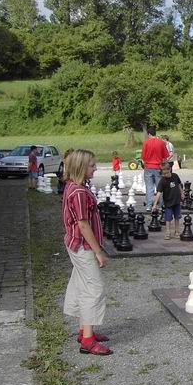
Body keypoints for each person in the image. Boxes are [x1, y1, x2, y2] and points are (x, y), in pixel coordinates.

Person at [62, 149, 112, 356]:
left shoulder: (72, 187)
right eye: (92, 165)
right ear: (82, 167)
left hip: (74, 243)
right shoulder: (80, 193)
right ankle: (88, 341)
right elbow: (83, 225)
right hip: (83, 245)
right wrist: (98, 250)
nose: (95, 168)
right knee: (94, 288)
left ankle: (85, 330)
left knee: (81, 284)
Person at [152, 161, 185, 240]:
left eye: (166, 173)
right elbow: (159, 193)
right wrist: (155, 204)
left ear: (170, 169)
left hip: (177, 201)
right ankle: (168, 232)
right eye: (164, 174)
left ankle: (177, 231)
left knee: (177, 217)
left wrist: (182, 193)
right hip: (168, 203)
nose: (165, 175)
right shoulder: (162, 181)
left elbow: (179, 185)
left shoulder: (175, 176)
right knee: (168, 218)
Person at [141, 127, 169, 211]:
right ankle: (161, 205)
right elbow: (165, 156)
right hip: (158, 167)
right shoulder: (161, 143)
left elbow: (143, 157)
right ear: (155, 133)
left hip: (148, 167)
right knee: (160, 187)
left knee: (149, 187)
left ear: (149, 134)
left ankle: (149, 205)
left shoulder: (146, 143)